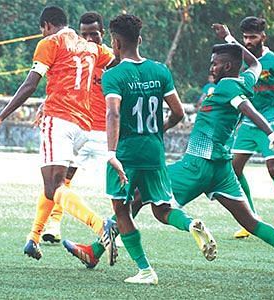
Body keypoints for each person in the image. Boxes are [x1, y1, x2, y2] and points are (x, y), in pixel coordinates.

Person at [64, 23, 274, 283]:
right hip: (222, 169)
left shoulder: (227, 88)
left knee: (142, 200)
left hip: (196, 165)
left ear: (227, 66)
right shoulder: (245, 80)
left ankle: (100, 250)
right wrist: (230, 39)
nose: (211, 67)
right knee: (251, 221)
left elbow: (247, 109)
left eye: (215, 63)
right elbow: (255, 66)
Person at [62, 14, 217, 285]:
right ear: (141, 40)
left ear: (116, 42)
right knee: (162, 208)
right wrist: (158, 131)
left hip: (126, 154)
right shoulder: (159, 70)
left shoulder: (114, 75)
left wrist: (111, 153)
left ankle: (145, 270)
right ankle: (190, 224)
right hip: (154, 152)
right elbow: (179, 112)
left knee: (122, 212)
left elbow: (113, 113)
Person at [0, 6, 118, 263]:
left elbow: (31, 83)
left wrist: (0, 117)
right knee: (55, 184)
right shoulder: (92, 47)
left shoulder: (49, 42)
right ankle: (34, 236)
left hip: (60, 121)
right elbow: (117, 60)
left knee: (54, 187)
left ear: (47, 25)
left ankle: (100, 226)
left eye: (42, 29)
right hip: (83, 126)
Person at [41, 11, 113, 245]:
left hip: (105, 134)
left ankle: (117, 226)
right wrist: (46, 103)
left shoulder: (111, 61)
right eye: (85, 34)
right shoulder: (78, 54)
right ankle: (52, 224)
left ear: (103, 34)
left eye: (94, 34)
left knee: (120, 184)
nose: (90, 39)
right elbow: (65, 86)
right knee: (62, 179)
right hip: (80, 126)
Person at [230, 17, 274, 241]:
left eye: (253, 37)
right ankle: (251, 220)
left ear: (263, 37)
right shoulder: (242, 63)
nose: (248, 41)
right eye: (245, 37)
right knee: (234, 169)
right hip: (251, 122)